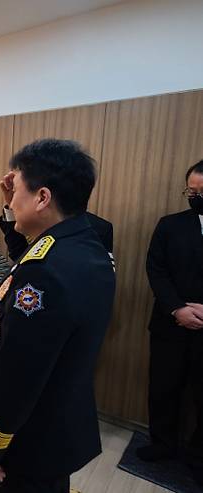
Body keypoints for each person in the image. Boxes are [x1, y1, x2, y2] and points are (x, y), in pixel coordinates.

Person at [0, 139, 116, 493]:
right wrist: (12, 212)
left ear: (42, 198)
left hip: (30, 435)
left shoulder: (44, 273)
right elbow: (30, 252)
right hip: (61, 423)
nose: (10, 200)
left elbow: (19, 370)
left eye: (17, 192)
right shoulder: (86, 247)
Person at [139, 159, 203, 486]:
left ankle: (197, 455)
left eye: (201, 191)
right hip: (170, 323)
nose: (195, 197)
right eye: (191, 191)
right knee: (163, 387)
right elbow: (156, 269)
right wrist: (177, 308)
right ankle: (162, 443)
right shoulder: (170, 225)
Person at [0, 172, 114, 262]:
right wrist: (14, 207)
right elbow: (18, 254)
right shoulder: (36, 220)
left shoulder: (100, 228)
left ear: (44, 196)